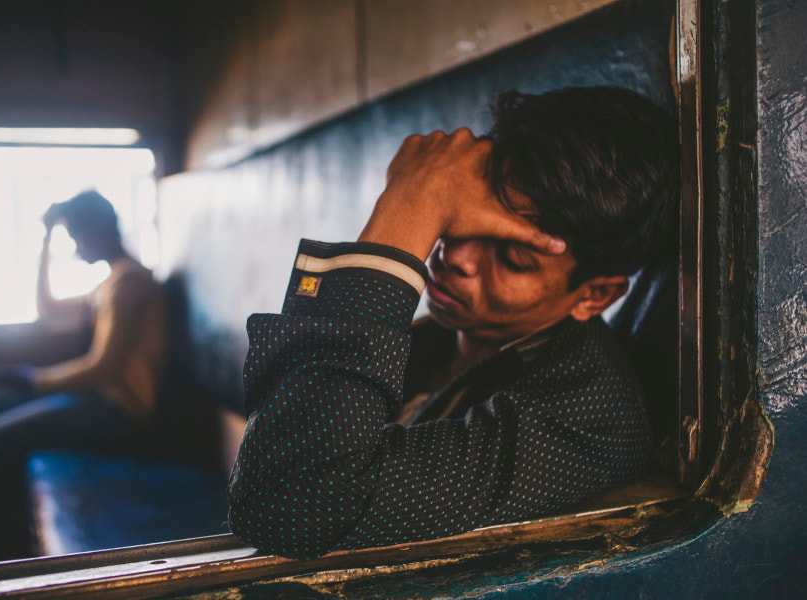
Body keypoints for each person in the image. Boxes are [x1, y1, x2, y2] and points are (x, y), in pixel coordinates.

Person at [227, 86, 679, 559]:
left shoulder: (589, 422)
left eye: (513, 258)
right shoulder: (436, 336)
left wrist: (410, 202)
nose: (455, 255)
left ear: (594, 295)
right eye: (463, 215)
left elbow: (289, 505)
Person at [0, 190, 166, 563]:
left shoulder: (130, 283)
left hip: (118, 410)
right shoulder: (109, 282)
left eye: (76, 237)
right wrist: (45, 238)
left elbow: (103, 368)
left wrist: (35, 380)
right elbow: (46, 307)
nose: (76, 248)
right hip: (93, 399)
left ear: (96, 231)